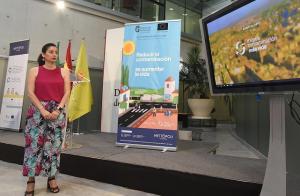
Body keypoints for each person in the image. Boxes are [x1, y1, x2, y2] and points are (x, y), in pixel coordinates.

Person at [23, 43, 70, 196]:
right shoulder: (34, 70)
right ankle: (31, 179)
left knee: (54, 147)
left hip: (57, 112)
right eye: (50, 52)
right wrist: (42, 109)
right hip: (37, 112)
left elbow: (67, 92)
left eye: (56, 52)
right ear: (43, 55)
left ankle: (51, 178)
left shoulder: (64, 71)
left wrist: (59, 110)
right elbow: (30, 92)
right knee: (34, 146)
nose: (54, 54)